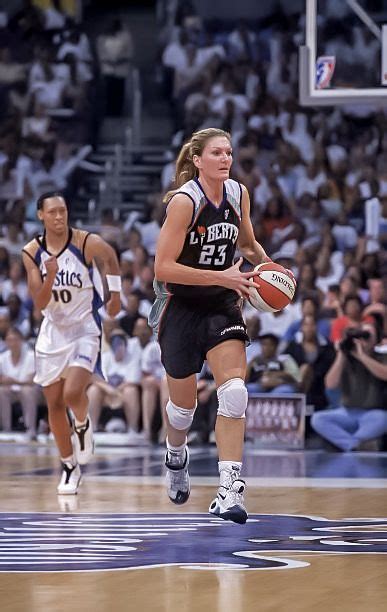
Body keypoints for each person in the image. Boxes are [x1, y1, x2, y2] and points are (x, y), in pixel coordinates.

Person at [149, 127, 271, 524]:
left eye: (230, 153)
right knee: (183, 409)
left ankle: (229, 489)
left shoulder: (238, 194)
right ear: (198, 160)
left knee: (235, 393)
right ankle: (176, 454)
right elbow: (163, 267)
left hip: (221, 303)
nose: (226, 159)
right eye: (217, 153)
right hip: (181, 306)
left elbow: (248, 245)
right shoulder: (185, 203)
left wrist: (271, 273)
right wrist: (224, 278)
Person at [22, 191, 121, 494]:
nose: (59, 217)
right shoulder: (31, 252)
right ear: (41, 215)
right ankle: (69, 466)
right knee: (52, 403)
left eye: (62, 211)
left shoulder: (83, 241)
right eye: (52, 212)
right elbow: (39, 303)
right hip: (52, 332)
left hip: (84, 328)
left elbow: (109, 257)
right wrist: (50, 276)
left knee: (73, 392)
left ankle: (82, 422)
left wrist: (115, 294)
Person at [311, 323, 387, 451]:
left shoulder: (381, 357)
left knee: (384, 420)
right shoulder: (347, 358)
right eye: (361, 335)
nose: (364, 340)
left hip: (373, 413)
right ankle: (356, 445)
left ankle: (345, 442)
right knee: (318, 419)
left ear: (376, 340)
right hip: (347, 412)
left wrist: (363, 356)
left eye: (368, 335)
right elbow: (330, 384)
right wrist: (342, 354)